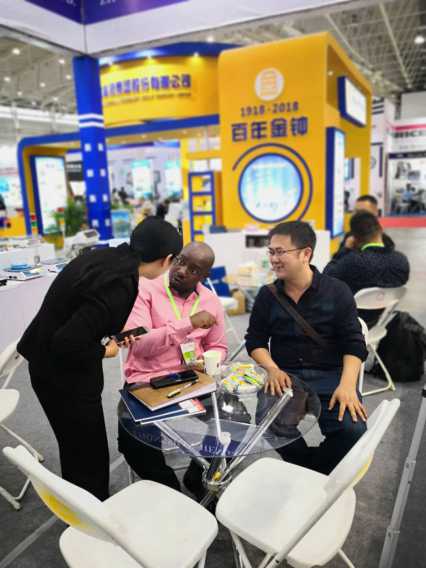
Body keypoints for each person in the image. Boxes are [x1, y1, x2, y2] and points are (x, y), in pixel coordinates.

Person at [17, 218, 183, 501]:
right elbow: (66, 343)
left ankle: (83, 504)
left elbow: (83, 314)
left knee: (77, 447)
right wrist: (104, 351)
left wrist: (109, 333)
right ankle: (89, 514)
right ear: (167, 259)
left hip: (48, 361)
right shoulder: (118, 285)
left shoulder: (107, 258)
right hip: (61, 375)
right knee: (86, 454)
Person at [245, 221, 368, 475]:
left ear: (306, 253)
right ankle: (311, 470)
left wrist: (348, 385)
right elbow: (255, 341)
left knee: (353, 431)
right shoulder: (268, 295)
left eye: (281, 252)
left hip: (331, 375)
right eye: (271, 252)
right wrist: (272, 369)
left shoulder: (337, 291)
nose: (274, 259)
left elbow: (354, 343)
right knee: (269, 424)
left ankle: (308, 471)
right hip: (287, 377)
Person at [119, 242, 227, 497]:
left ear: (204, 276)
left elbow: (219, 346)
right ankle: (171, 493)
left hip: (194, 378)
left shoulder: (210, 301)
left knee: (236, 421)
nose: (182, 270)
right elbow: (140, 345)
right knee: (134, 444)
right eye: (180, 261)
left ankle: (199, 476)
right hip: (147, 380)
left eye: (194, 270)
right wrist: (189, 323)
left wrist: (209, 361)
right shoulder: (145, 288)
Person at [324, 211, 409, 326]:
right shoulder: (401, 261)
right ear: (380, 229)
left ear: (354, 238)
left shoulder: (352, 262)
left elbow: (326, 277)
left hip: (351, 324)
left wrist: (344, 250)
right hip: (382, 323)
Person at [334, 194, 394, 259]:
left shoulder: (386, 242)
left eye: (363, 212)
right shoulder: (349, 236)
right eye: (355, 211)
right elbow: (336, 261)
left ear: (375, 213)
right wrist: (345, 249)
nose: (357, 215)